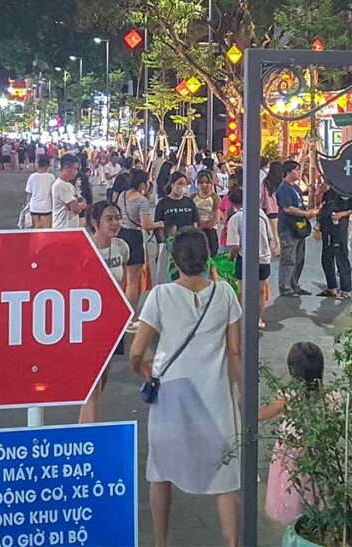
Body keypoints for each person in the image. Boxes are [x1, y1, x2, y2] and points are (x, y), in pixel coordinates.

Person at [129, 230, 242, 547]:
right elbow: (235, 351)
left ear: (175, 260)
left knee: (161, 470)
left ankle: (161, 542)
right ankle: (232, 543)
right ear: (207, 258)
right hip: (216, 395)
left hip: (171, 396)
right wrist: (242, 392)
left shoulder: (160, 295)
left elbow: (137, 351)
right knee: (225, 477)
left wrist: (144, 371)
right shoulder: (225, 294)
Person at [259, 342, 325, 526]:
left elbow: (266, 413)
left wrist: (246, 411)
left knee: (292, 496)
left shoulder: (289, 395)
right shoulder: (327, 396)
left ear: (292, 370)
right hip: (316, 456)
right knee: (314, 493)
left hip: (290, 459)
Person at [79, 200, 131, 423]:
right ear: (95, 221)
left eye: (117, 218)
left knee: (102, 380)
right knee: (92, 380)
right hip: (89, 322)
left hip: (113, 322)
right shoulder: (84, 249)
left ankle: (85, 423)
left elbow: (125, 281)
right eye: (109, 218)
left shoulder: (121, 247)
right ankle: (88, 434)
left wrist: (125, 314)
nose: (115, 223)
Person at [227, 187, 278, 329]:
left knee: (243, 291)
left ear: (233, 204)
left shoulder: (235, 219)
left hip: (245, 259)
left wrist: (230, 258)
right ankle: (258, 319)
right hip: (264, 258)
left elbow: (235, 246)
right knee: (261, 291)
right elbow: (270, 236)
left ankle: (243, 319)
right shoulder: (261, 214)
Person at [118, 170, 161, 317]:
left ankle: (121, 309)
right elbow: (146, 225)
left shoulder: (122, 195)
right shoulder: (141, 200)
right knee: (133, 281)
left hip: (121, 235)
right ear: (142, 183)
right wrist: (159, 224)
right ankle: (131, 315)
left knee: (123, 278)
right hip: (134, 237)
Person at [276, 160, 317, 298]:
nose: (299, 172)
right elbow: (288, 208)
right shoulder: (283, 189)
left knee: (299, 259)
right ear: (288, 172)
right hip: (288, 228)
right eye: (296, 170)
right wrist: (305, 214)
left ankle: (294, 284)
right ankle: (285, 287)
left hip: (299, 228)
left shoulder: (296, 188)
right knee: (288, 259)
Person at [317, 181, 352, 300]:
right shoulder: (328, 187)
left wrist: (342, 214)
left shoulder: (346, 186)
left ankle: (346, 289)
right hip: (326, 225)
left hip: (339, 226)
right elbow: (320, 204)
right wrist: (321, 191)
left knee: (341, 255)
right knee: (326, 257)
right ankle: (332, 287)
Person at [52, 154, 86, 229]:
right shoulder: (61, 185)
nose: (77, 172)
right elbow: (76, 209)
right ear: (66, 168)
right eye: (75, 169)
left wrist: (76, 204)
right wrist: (78, 205)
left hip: (69, 228)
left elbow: (83, 200)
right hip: (62, 229)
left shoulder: (69, 185)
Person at [194, 169, 222, 256]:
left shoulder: (215, 198)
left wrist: (202, 226)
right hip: (195, 232)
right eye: (201, 182)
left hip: (210, 232)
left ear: (211, 183)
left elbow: (216, 220)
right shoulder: (193, 197)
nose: (204, 185)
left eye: (207, 182)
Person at [25, 156, 55, 229]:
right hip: (46, 207)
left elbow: (29, 194)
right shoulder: (51, 177)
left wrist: (28, 203)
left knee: (36, 228)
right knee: (46, 229)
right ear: (47, 165)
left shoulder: (32, 177)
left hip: (34, 206)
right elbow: (53, 193)